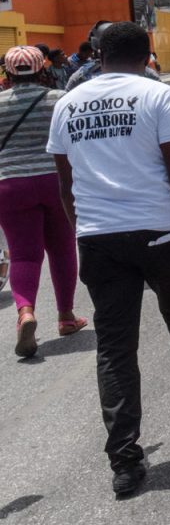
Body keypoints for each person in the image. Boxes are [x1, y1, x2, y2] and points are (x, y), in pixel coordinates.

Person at [47, 23, 170, 498]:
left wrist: (85, 229)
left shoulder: (67, 104)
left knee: (114, 347)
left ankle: (125, 459)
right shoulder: (156, 97)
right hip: (161, 234)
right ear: (149, 55)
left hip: (98, 239)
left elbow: (66, 186)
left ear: (96, 54)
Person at [0, 45, 83, 358]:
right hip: (55, 181)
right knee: (62, 249)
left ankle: (26, 312)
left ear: (7, 73)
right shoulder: (60, 99)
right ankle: (66, 317)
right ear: (42, 69)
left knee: (23, 255)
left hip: (9, 184)